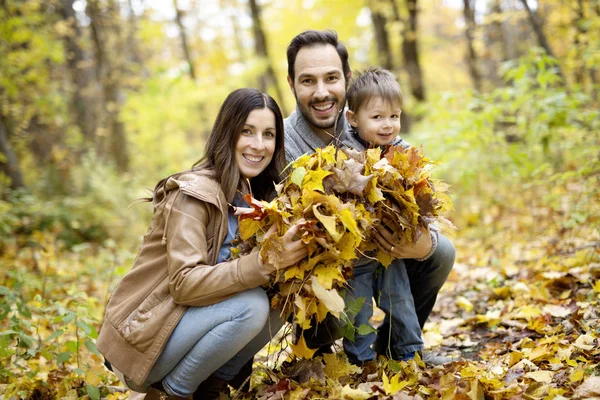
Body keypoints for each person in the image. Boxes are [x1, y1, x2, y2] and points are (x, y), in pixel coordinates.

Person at [97, 88, 307, 400]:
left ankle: (211, 389)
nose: (258, 145)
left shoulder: (252, 197)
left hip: (181, 332)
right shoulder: (194, 195)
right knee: (252, 307)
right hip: (142, 342)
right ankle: (176, 393)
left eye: (268, 134)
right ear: (227, 133)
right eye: (246, 131)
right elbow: (184, 283)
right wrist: (264, 263)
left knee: (281, 299)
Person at [283, 30, 456, 364]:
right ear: (291, 84)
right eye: (308, 81)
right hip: (324, 274)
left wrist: (422, 243)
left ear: (346, 79)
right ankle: (329, 354)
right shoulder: (282, 143)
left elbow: (410, 180)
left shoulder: (368, 123)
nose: (321, 92)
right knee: (350, 314)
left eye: (331, 78)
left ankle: (399, 349)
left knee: (440, 251)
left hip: (383, 256)